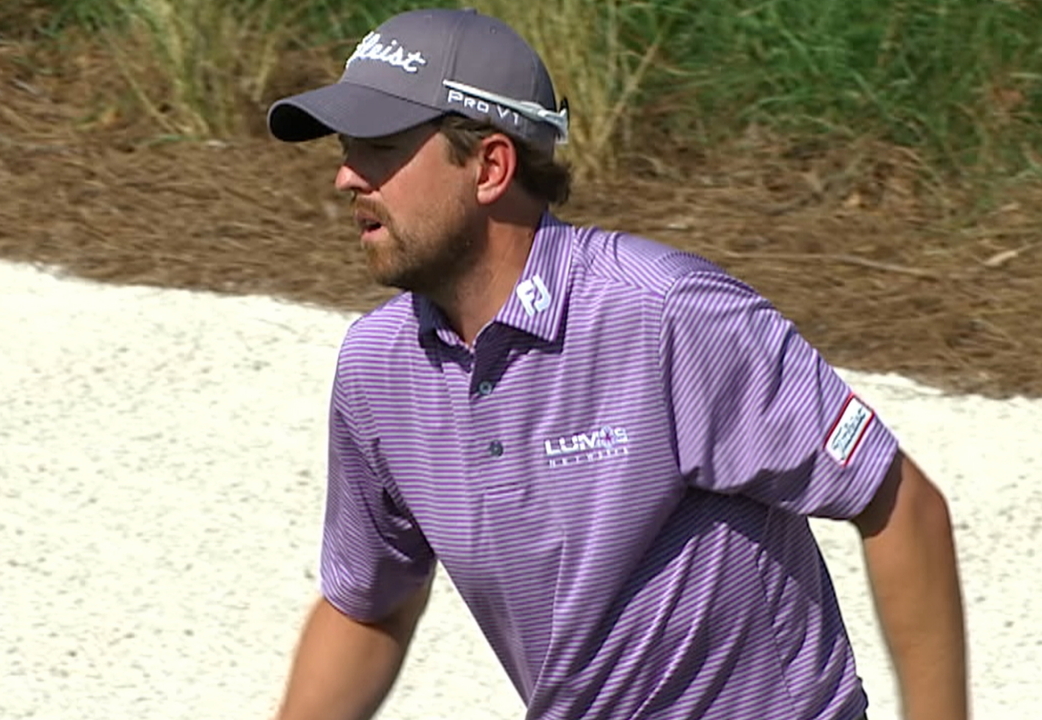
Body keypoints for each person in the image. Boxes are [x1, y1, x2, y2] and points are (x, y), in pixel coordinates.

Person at [264, 8, 968, 720]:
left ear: (490, 166)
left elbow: (900, 504)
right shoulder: (378, 369)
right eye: (348, 147)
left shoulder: (667, 315)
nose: (345, 178)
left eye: (379, 147)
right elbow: (369, 605)